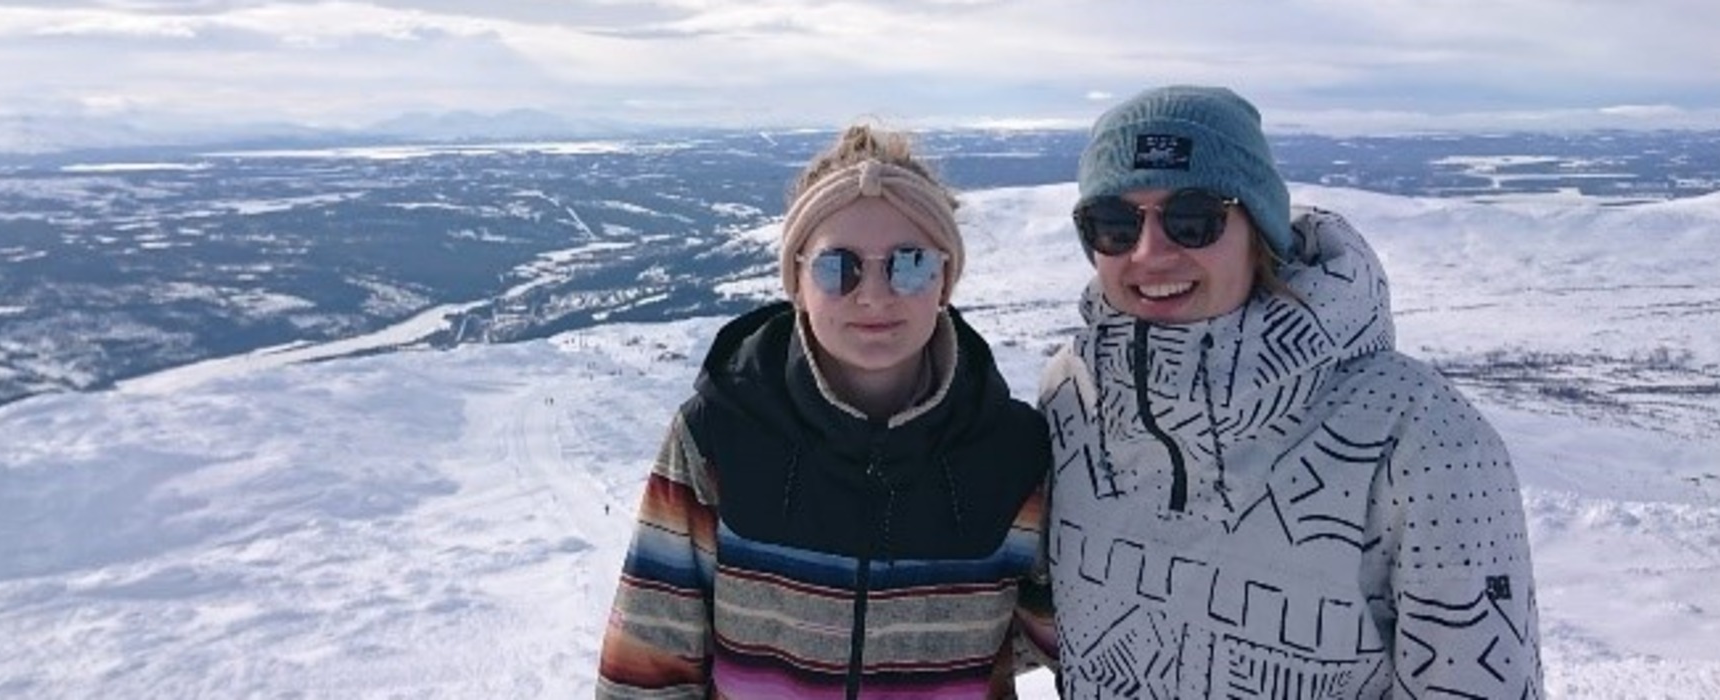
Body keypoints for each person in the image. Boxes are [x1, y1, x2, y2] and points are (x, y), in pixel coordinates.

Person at [1039, 86, 1542, 697]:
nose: (1150, 253)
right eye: (1115, 224)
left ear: (1260, 230)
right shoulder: (1072, 396)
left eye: (1193, 220)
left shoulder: (1419, 435)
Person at [596, 125, 1057, 699]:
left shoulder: (1012, 455)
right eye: (837, 266)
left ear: (944, 280)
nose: (874, 295)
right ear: (796, 281)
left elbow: (1090, 646)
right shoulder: (719, 437)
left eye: (910, 263)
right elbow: (647, 667)